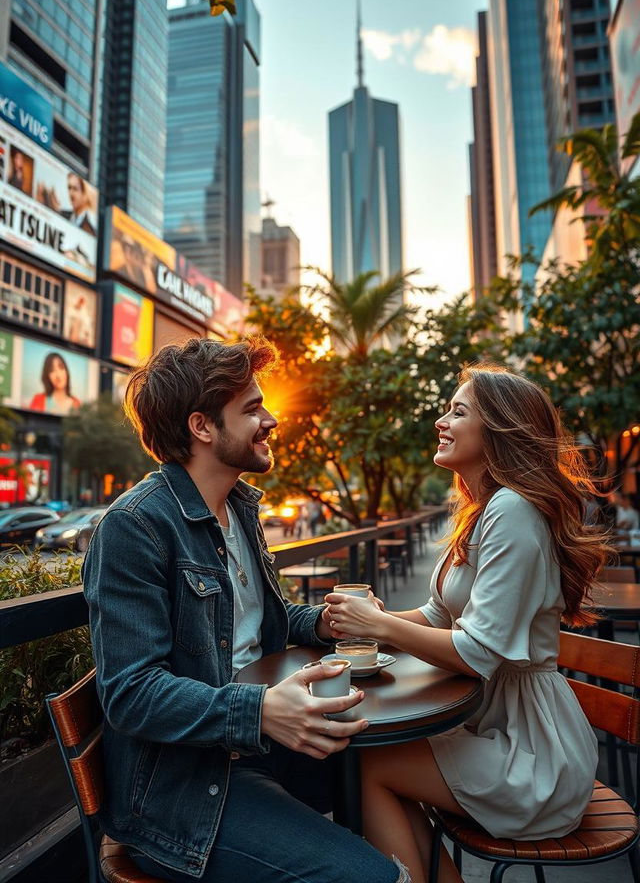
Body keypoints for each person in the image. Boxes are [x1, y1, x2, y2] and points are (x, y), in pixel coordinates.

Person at [82, 337, 407, 883]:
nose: (272, 419)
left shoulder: (238, 507)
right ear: (202, 427)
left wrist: (322, 622)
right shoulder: (135, 527)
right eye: (253, 409)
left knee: (408, 769)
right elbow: (130, 694)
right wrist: (257, 711)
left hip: (262, 751)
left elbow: (255, 626)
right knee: (373, 876)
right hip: (186, 793)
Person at [324, 365, 611, 883]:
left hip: (533, 755)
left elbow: (476, 650)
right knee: (375, 762)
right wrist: (372, 618)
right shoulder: (484, 509)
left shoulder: (514, 509)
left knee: (367, 765)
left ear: (500, 430)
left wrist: (381, 628)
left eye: (458, 411)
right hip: (497, 727)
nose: (441, 421)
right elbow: (438, 616)